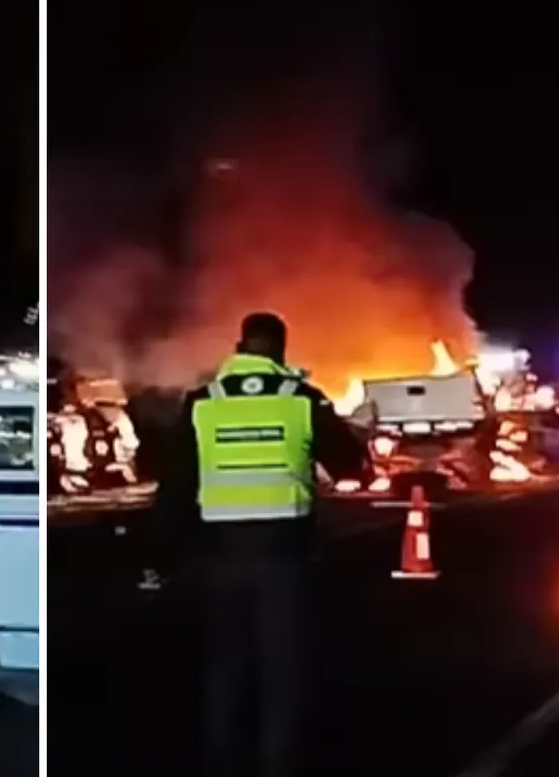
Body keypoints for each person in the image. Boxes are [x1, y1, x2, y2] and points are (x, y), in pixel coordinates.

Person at [151, 311, 372, 777]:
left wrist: (160, 555)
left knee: (224, 663)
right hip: (283, 552)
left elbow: (173, 485)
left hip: (218, 552)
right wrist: (359, 440)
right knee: (282, 663)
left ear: (240, 346)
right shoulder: (302, 400)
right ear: (281, 350)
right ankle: (279, 762)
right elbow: (352, 467)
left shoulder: (202, 403)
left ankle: (221, 760)